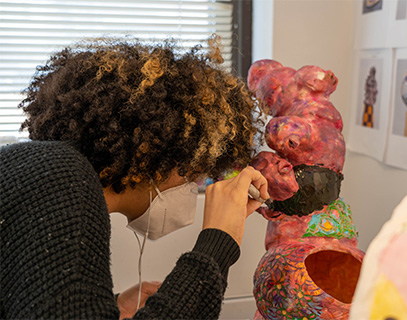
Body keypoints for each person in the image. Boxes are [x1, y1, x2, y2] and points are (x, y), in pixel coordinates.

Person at [0, 36, 269, 319]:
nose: (191, 184)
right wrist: (218, 241)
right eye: (191, 173)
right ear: (150, 153)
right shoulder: (62, 178)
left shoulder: (42, 171)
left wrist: (109, 306)